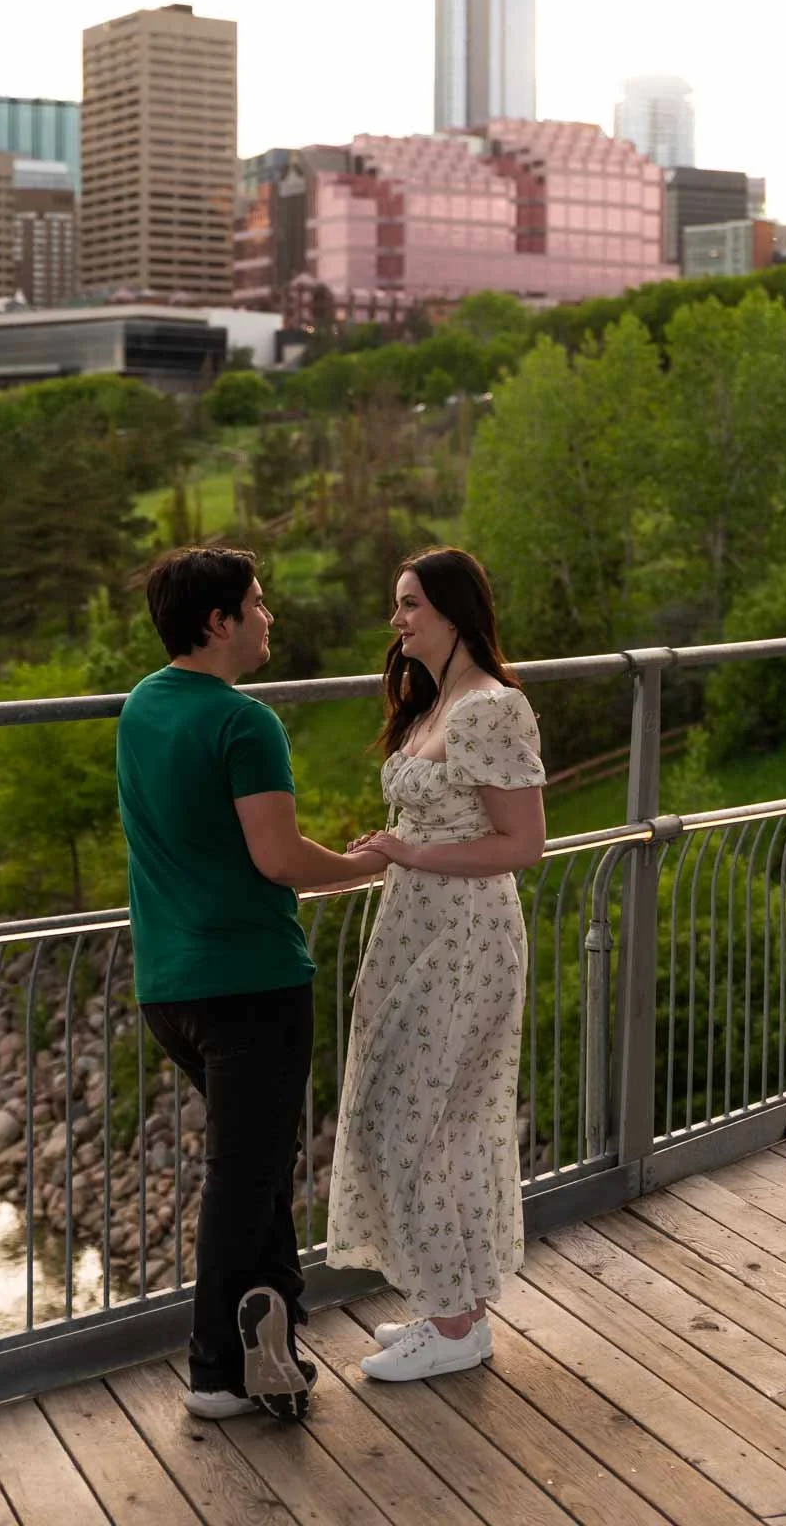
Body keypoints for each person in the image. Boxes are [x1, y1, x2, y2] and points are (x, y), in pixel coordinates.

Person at [117, 546, 381, 1421]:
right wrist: (360, 865)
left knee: (260, 1162)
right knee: (244, 1171)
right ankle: (217, 1370)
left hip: (168, 989)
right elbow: (277, 858)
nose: (270, 618)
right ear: (219, 621)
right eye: (258, 605)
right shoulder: (245, 722)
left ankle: (273, 1328)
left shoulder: (142, 707)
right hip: (251, 983)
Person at [327, 547, 546, 1383]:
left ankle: (454, 1325)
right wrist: (399, 852)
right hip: (418, 929)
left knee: (414, 1120)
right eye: (397, 605)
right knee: (431, 1118)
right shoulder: (436, 704)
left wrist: (408, 849)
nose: (398, 620)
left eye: (410, 604)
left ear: (453, 611)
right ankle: (450, 1308)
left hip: (460, 939)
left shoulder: (490, 708)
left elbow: (521, 844)